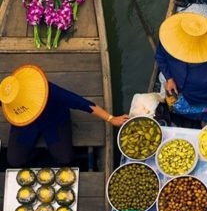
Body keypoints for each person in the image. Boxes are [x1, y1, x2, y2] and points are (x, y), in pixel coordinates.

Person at [0, 64, 128, 167]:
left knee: (65, 158)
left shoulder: (49, 91)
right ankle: (38, 154)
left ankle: (52, 152)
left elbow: (83, 104)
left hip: (54, 122)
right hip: (25, 126)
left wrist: (111, 118)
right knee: (14, 160)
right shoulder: (6, 96)